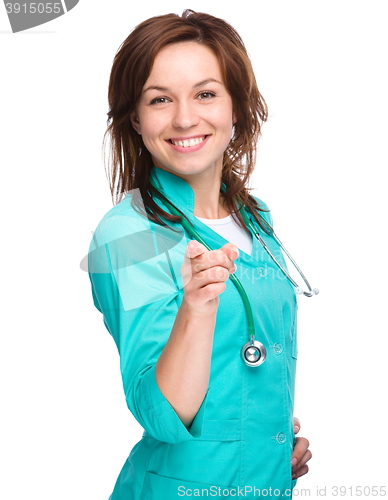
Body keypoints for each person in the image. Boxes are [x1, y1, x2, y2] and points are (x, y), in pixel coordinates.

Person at [87, 9, 312, 500]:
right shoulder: (127, 234)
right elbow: (161, 411)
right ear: (136, 117)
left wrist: (269, 439)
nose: (185, 118)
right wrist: (196, 307)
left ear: (236, 106)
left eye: (205, 93)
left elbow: (242, 365)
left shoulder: (256, 216)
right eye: (160, 99)